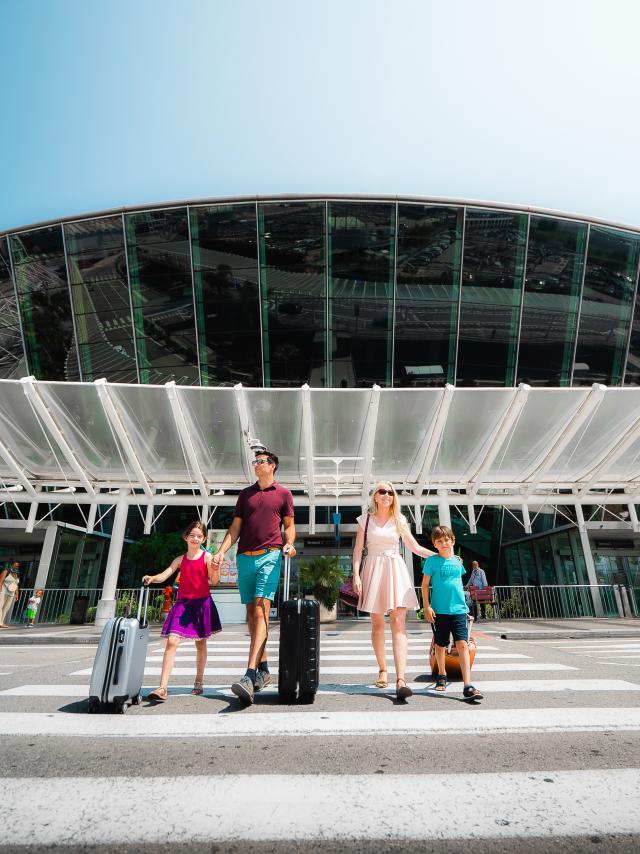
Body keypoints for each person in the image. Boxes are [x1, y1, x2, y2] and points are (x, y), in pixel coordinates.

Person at [212, 449, 295, 705]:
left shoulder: (283, 494)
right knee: (251, 614)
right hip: (244, 558)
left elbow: (289, 525)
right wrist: (221, 551)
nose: (256, 464)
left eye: (261, 461)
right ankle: (264, 669)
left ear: (273, 466)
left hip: (270, 555)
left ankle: (249, 674)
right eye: (254, 461)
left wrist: (289, 544)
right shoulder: (245, 494)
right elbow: (235, 527)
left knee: (260, 610)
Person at [353, 482, 436, 700]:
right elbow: (357, 551)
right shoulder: (365, 520)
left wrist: (440, 556)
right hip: (373, 568)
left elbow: (415, 547)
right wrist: (356, 575)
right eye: (382, 491)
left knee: (398, 623)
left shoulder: (400, 520)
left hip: (395, 568)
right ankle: (383, 669)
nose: (387, 494)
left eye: (391, 492)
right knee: (377, 624)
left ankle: (401, 679)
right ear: (375, 496)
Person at [143, 520, 221, 701]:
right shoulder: (180, 559)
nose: (195, 538)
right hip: (182, 604)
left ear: (204, 539)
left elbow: (214, 581)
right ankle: (162, 687)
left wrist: (216, 569)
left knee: (200, 643)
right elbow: (165, 574)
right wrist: (152, 578)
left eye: (199, 536)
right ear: (186, 537)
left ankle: (199, 681)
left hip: (201, 604)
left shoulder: (207, 557)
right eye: (192, 535)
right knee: (172, 641)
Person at [422, 525, 483, 700]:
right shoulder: (431, 561)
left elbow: (457, 584)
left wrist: (465, 608)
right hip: (439, 611)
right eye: (439, 541)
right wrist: (426, 606)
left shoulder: (458, 561)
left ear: (453, 541)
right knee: (440, 645)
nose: (444, 543)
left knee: (462, 644)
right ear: (434, 544)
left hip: (459, 610)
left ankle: (468, 685)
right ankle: (442, 674)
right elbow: (425, 585)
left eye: (446, 540)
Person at [0, 562, 20, 628]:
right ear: (11, 565)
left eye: (17, 566)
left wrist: (17, 594)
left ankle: (1, 622)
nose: (16, 567)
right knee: (0, 606)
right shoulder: (6, 571)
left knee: (6, 608)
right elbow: (1, 581)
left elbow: (16, 585)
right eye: (15, 565)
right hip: (3, 592)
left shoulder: (17, 574)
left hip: (11, 594)